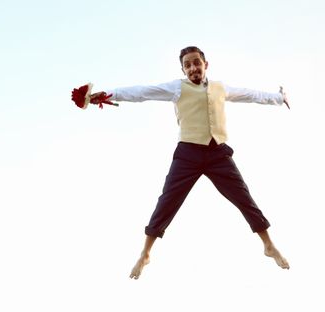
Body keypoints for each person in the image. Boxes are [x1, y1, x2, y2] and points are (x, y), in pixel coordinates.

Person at [88, 46, 290, 279]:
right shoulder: (176, 88)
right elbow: (141, 92)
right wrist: (107, 95)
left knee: (244, 197)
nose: (193, 68)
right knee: (168, 200)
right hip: (188, 154)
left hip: (218, 154)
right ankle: (145, 253)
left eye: (197, 63)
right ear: (183, 69)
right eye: (188, 65)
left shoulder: (220, 88)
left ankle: (268, 245)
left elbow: (251, 95)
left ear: (206, 64)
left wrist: (278, 97)